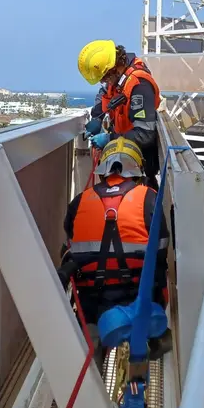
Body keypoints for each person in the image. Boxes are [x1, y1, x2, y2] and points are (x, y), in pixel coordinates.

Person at [57, 137, 171, 368]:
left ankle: (91, 382)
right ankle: (140, 368)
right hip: (141, 298)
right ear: (137, 168)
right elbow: (161, 251)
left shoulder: (79, 202)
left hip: (92, 303)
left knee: (88, 358)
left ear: (102, 169)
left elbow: (70, 243)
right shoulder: (149, 198)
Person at [78, 40, 162, 189]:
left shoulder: (139, 85)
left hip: (138, 170)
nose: (104, 82)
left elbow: (145, 134)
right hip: (122, 162)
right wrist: (97, 118)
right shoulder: (117, 81)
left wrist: (109, 139)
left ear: (114, 67)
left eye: (104, 77)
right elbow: (104, 95)